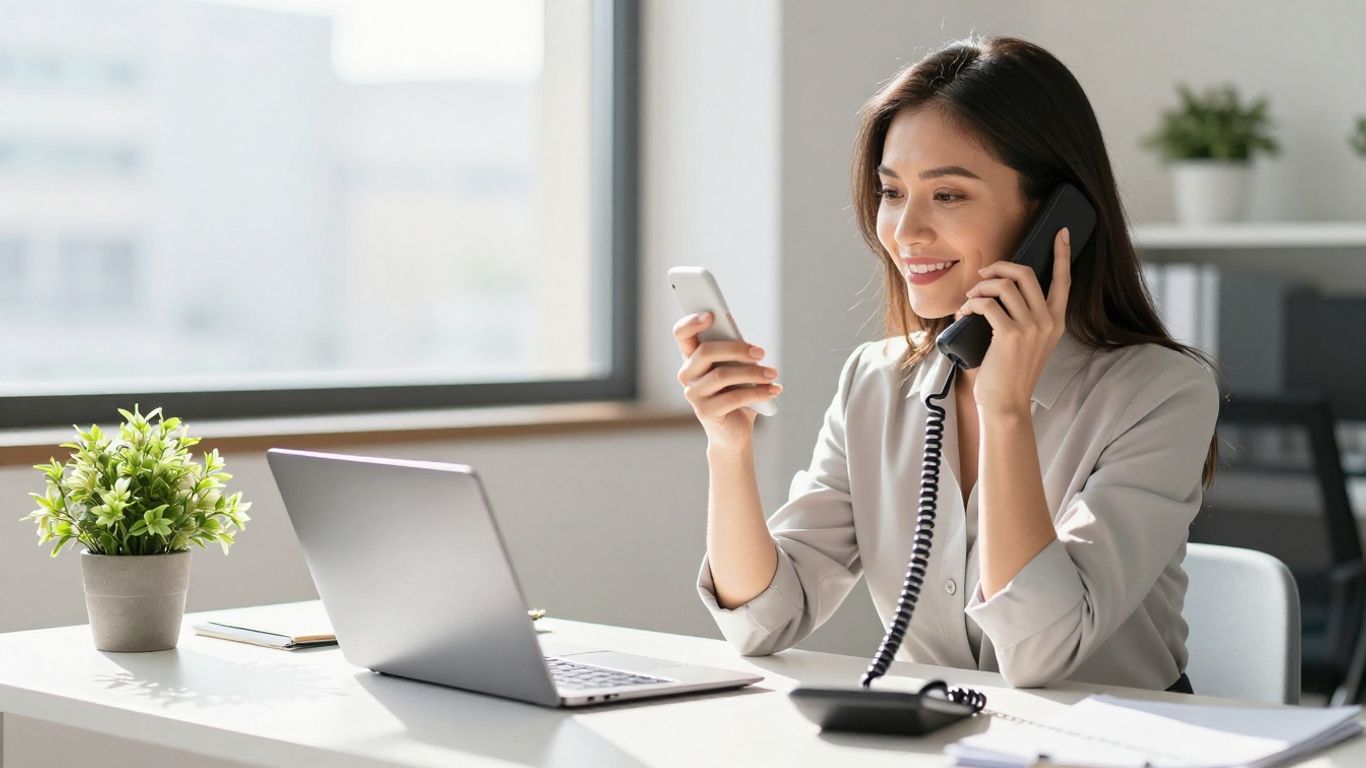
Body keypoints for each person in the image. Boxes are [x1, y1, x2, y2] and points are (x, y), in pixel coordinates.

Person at [672, 35, 1221, 693]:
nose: (905, 232)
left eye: (949, 195)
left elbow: (1040, 654)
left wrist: (1005, 408)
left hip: (1113, 739)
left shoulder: (1162, 393)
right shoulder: (876, 382)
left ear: (1056, 218)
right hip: (937, 734)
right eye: (891, 191)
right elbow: (763, 622)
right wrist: (729, 448)